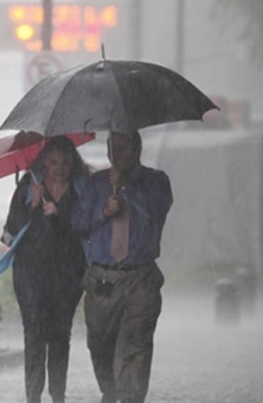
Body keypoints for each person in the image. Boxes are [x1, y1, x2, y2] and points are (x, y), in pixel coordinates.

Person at [71, 130, 173, 403]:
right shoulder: (96, 184)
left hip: (140, 277)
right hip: (102, 278)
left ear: (137, 150)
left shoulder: (156, 181)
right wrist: (103, 212)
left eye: (123, 149)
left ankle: (130, 397)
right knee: (99, 343)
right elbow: (78, 223)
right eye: (112, 149)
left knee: (135, 345)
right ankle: (110, 391)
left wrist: (127, 189)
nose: (117, 155)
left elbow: (156, 211)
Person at [2, 135, 90, 403]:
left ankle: (58, 395)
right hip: (31, 273)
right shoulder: (30, 186)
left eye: (65, 162)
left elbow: (88, 227)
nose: (59, 167)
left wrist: (60, 215)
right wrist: (32, 205)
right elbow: (8, 235)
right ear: (45, 163)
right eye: (53, 162)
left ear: (72, 164)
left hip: (67, 274)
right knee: (34, 333)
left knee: (61, 334)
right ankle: (33, 396)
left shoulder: (82, 190)